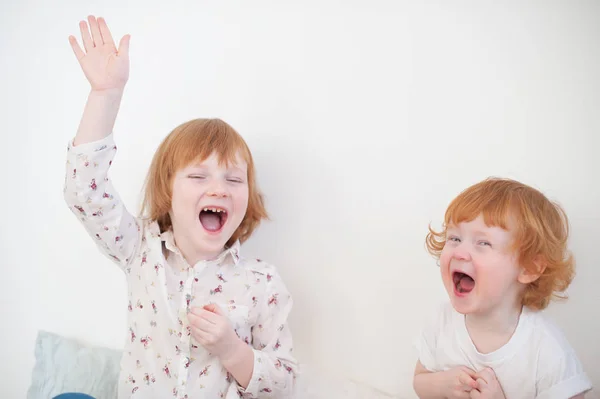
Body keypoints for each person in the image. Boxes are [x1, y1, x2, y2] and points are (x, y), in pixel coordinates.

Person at [64, 15, 297, 399]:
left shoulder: (262, 283)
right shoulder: (140, 249)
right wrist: (105, 96)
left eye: (234, 180)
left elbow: (284, 383)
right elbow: (83, 193)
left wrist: (233, 351)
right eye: (199, 177)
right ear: (167, 191)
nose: (219, 189)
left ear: (246, 201)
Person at [413, 177, 592, 399]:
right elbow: (420, 380)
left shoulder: (546, 350)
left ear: (529, 268)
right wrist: (442, 386)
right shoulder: (442, 319)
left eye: (483, 243)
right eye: (455, 238)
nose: (459, 252)